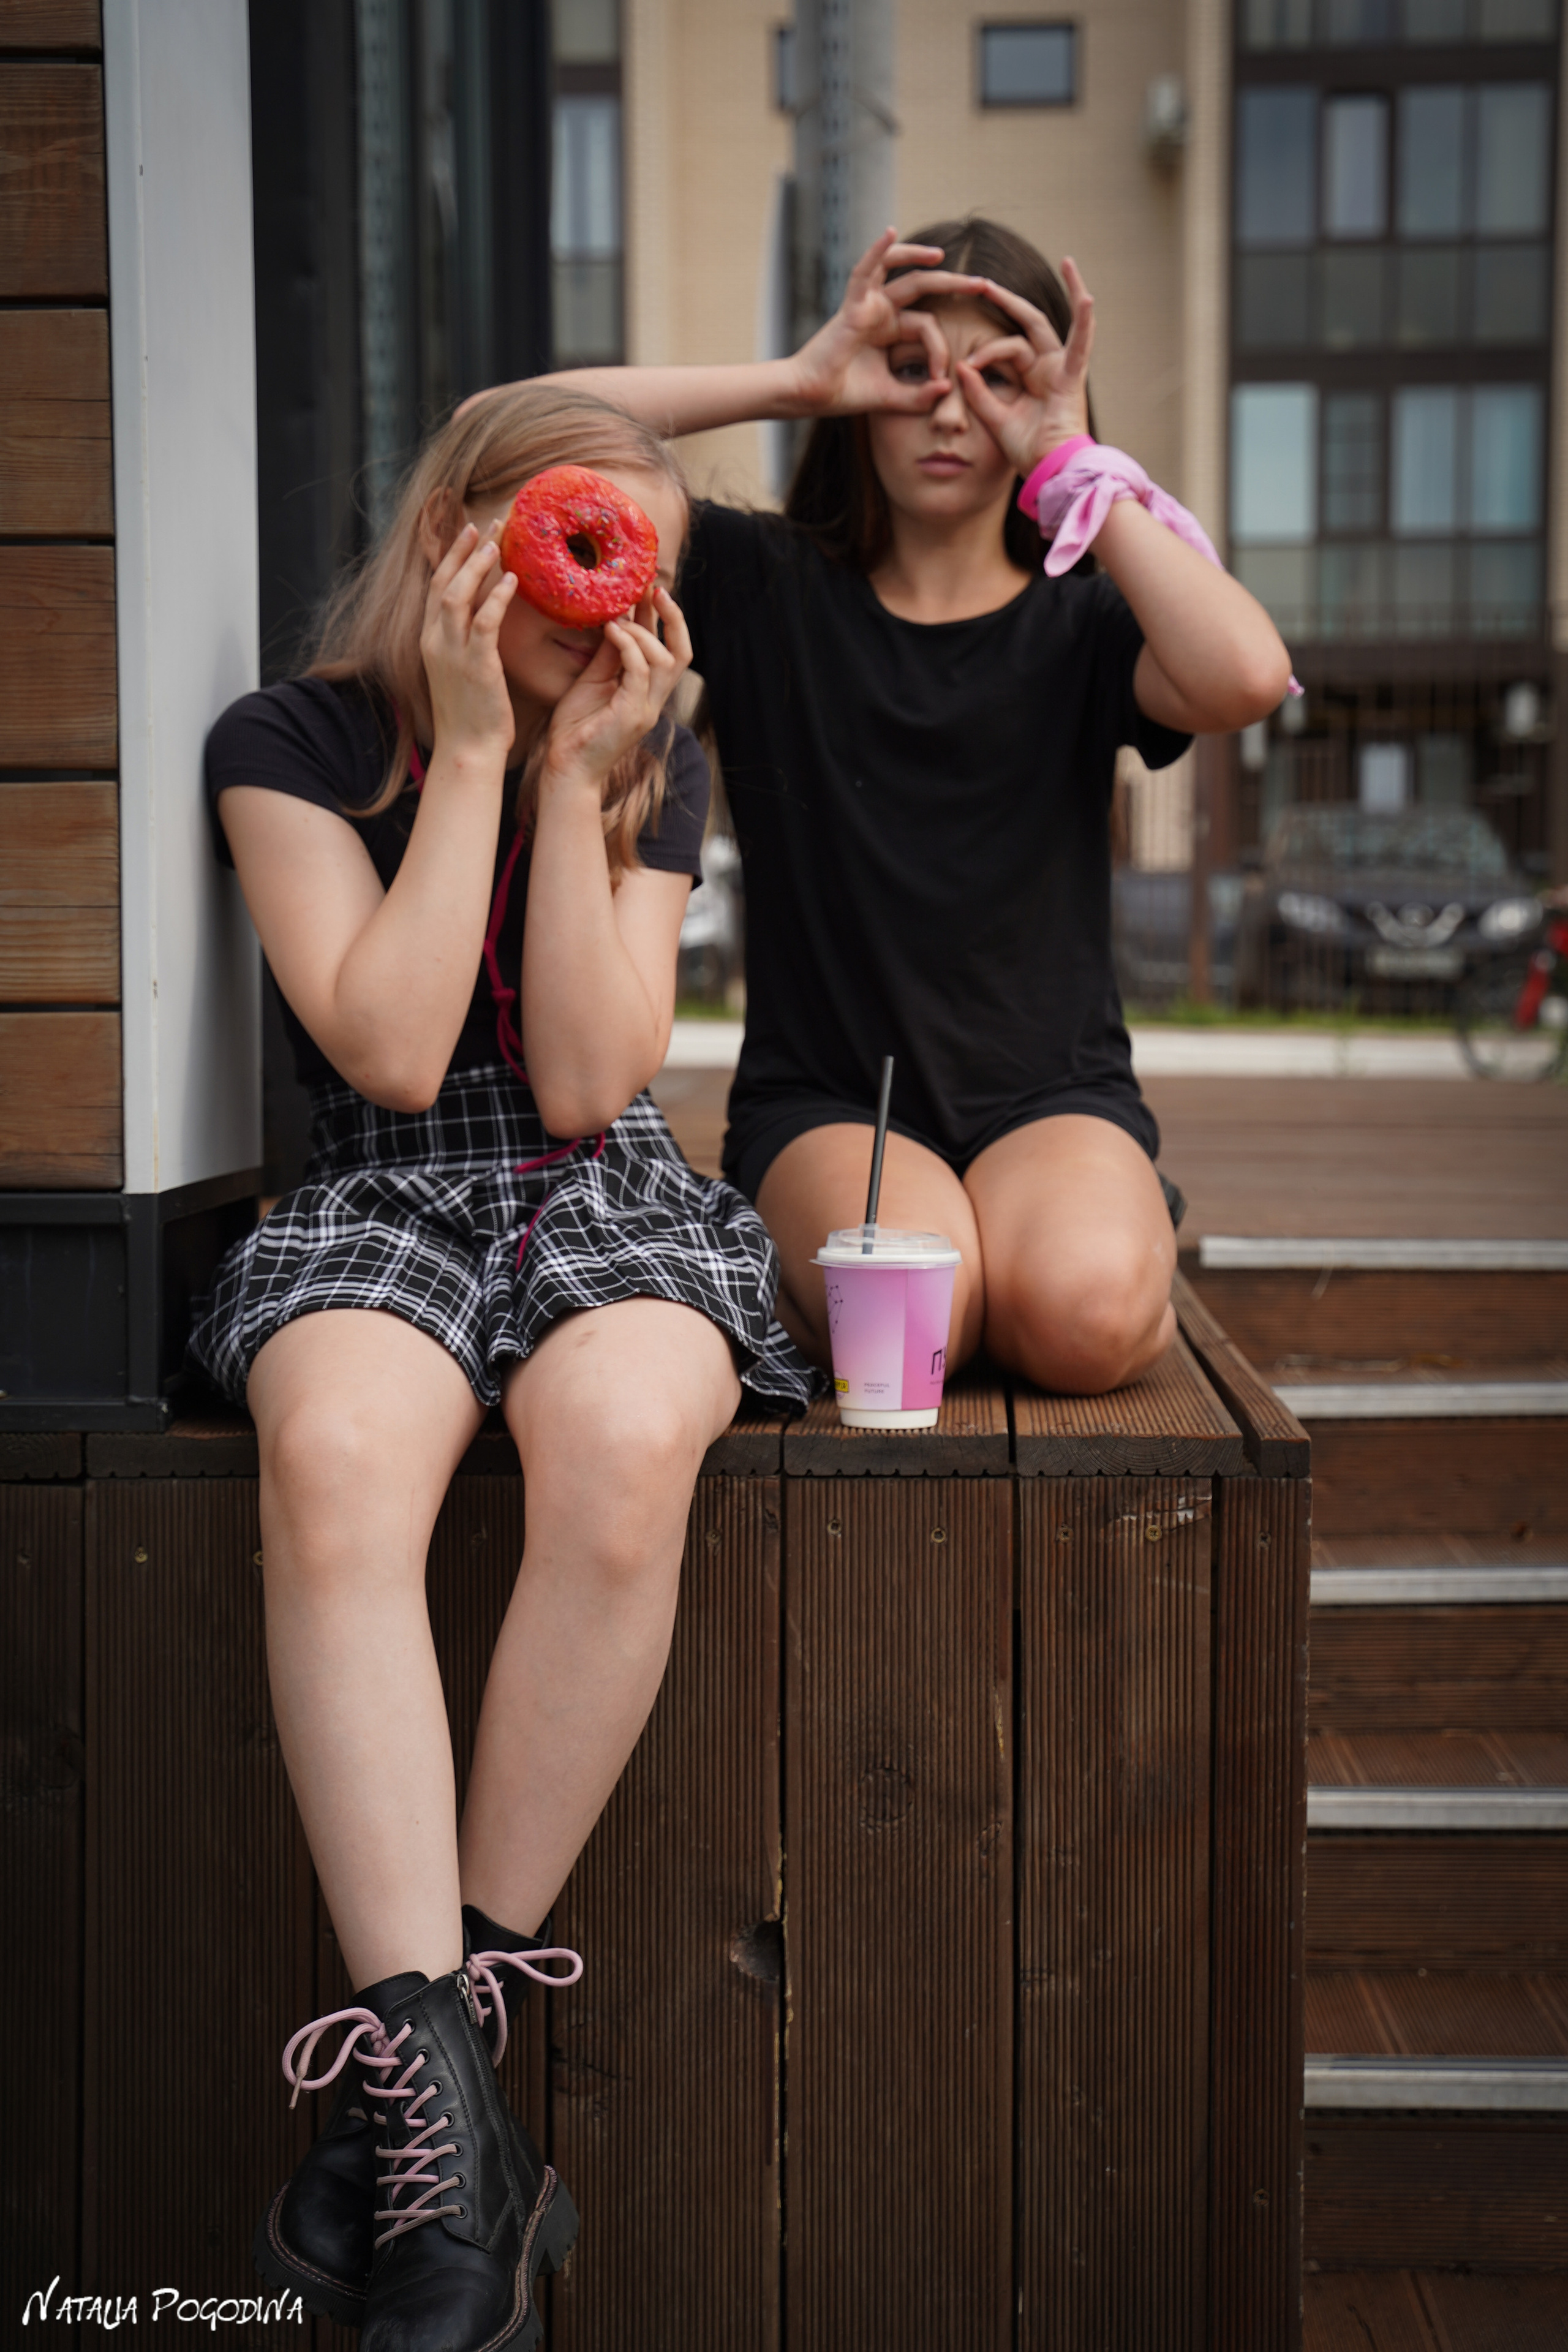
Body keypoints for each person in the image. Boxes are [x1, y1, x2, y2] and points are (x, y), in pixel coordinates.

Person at [187, 386, 813, 2352]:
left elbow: (577, 1083)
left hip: (599, 1180)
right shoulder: (290, 742)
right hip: (383, 1192)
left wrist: (571, 783)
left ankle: (411, 2149)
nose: (604, 597)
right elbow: (383, 1048)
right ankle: (466, 2184)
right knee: (340, 1455)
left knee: (633, 1432)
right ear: (456, 529)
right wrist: (467, 753)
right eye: (565, 532)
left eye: (643, 565)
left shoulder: (650, 757)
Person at [514, 218, 1292, 1395]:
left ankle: (1099, 1216)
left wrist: (1076, 459)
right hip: (834, 1102)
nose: (951, 407)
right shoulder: (761, 583)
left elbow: (1245, 676)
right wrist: (797, 382)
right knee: (912, 1314)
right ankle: (998, 1239)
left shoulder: (1086, 615)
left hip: (1052, 1097)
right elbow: (508, 442)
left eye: (1000, 374)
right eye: (917, 366)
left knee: (1081, 1317)